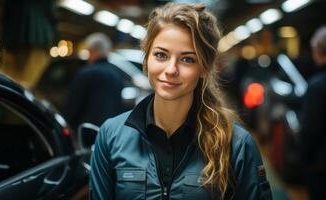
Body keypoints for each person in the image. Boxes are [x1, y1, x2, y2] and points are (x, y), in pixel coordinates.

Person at [89, 3, 272, 199]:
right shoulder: (110, 136)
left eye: (187, 59)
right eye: (161, 55)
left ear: (204, 68)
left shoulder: (236, 145)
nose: (171, 69)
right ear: (146, 60)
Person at [63, 32, 125, 129]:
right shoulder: (116, 74)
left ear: (92, 51)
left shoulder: (85, 73)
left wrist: (66, 124)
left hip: (86, 131)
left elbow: (73, 104)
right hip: (109, 131)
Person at [299, 25, 326, 200]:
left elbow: (310, 130)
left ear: (318, 50)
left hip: (321, 165)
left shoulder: (317, 86)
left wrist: (304, 159)